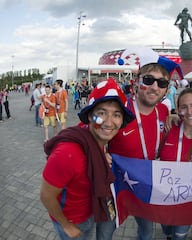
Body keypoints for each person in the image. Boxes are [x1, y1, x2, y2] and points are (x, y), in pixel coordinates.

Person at [40, 78, 134, 240]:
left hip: (90, 211)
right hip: (72, 221)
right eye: (101, 113)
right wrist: (66, 225)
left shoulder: (98, 140)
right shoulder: (68, 153)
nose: (108, 122)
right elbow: (46, 196)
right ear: (90, 116)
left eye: (116, 115)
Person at [109, 63, 171, 240]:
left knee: (146, 231)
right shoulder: (119, 110)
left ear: (166, 90)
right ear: (136, 82)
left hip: (144, 185)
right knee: (105, 232)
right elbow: (89, 129)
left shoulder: (164, 111)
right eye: (148, 80)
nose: (154, 87)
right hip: (118, 184)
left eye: (161, 83)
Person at [159, 88, 192, 240]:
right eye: (184, 107)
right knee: (167, 230)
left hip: (189, 202)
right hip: (164, 197)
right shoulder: (169, 129)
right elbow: (151, 154)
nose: (189, 111)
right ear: (178, 110)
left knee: (179, 236)